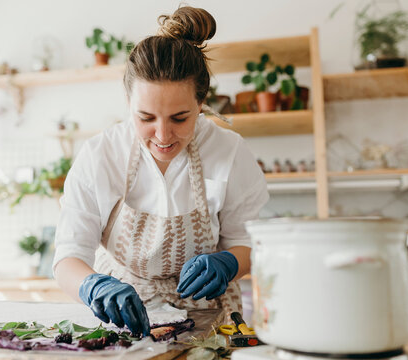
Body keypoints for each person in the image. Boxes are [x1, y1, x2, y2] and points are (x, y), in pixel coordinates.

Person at [53, 6, 269, 337]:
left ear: (202, 102)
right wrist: (92, 286)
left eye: (180, 118)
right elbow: (69, 255)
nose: (164, 135)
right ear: (128, 102)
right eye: (146, 118)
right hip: (124, 324)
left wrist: (229, 264)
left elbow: (248, 243)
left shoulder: (229, 151)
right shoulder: (100, 156)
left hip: (212, 322)